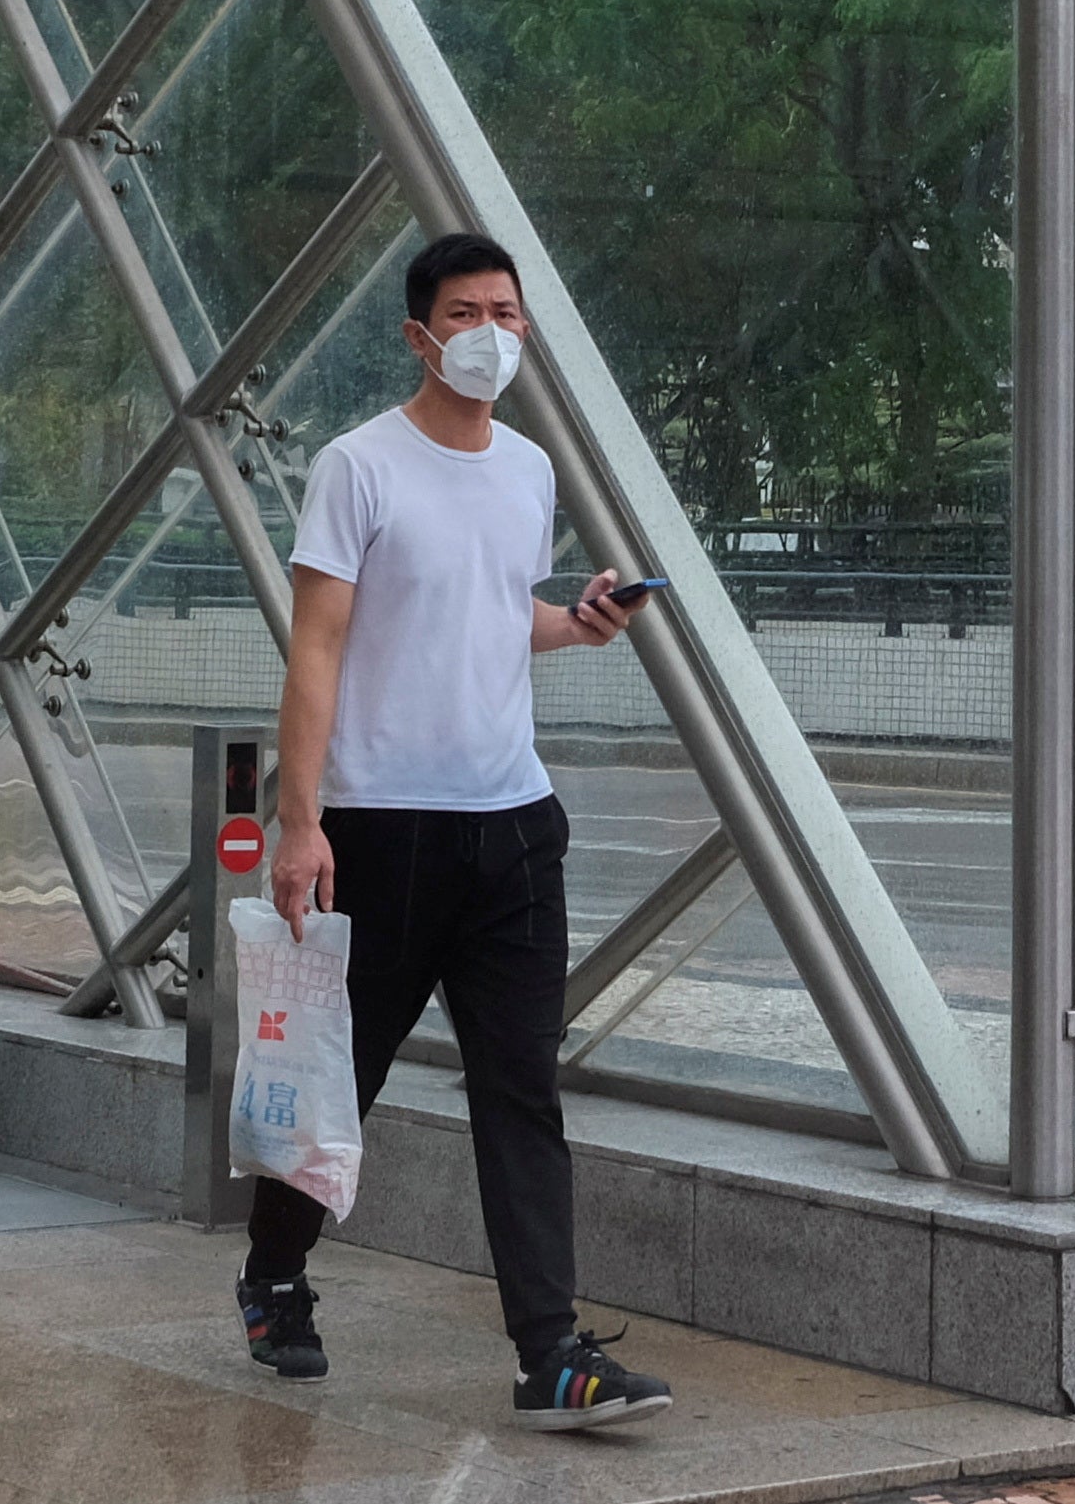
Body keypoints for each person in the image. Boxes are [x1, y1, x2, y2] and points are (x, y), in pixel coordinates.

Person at [235, 232, 673, 1430]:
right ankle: (275, 1276)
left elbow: (488, 613)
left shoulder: (527, 470)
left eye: (509, 313)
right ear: (419, 333)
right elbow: (318, 645)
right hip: (382, 831)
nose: (494, 332)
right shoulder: (357, 467)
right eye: (469, 311)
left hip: (514, 825)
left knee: (520, 1091)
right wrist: (299, 820)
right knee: (345, 1080)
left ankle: (551, 1355)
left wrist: (574, 622)